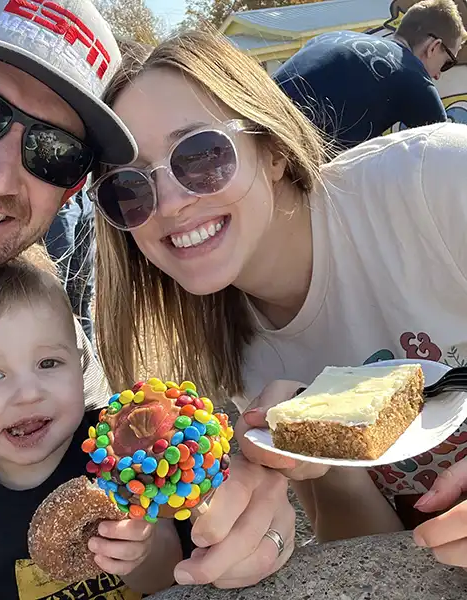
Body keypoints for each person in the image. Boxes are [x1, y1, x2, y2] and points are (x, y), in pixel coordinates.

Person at [0, 0, 294, 595]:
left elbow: (117, 468)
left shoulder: (31, 298)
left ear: (71, 191)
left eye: (54, 152)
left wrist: (235, 521)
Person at [89, 26, 467, 568]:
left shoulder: (433, 183)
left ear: (270, 150)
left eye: (198, 155)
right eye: (128, 188)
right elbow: (373, 555)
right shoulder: (241, 359)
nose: (168, 204)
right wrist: (319, 466)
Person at [0, 244, 191, 599]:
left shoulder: (124, 453)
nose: (28, 393)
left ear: (79, 366)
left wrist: (142, 552)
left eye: (48, 363)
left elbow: (168, 577)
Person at [272, 0, 466, 151]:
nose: (439, 74)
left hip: (255, 119)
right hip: (285, 150)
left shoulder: (334, 36)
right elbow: (446, 150)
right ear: (434, 47)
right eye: (448, 62)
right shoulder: (413, 76)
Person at [45, 190, 96, 343]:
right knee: (55, 296)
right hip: (60, 201)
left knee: (82, 294)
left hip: (87, 196)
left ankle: (90, 363)